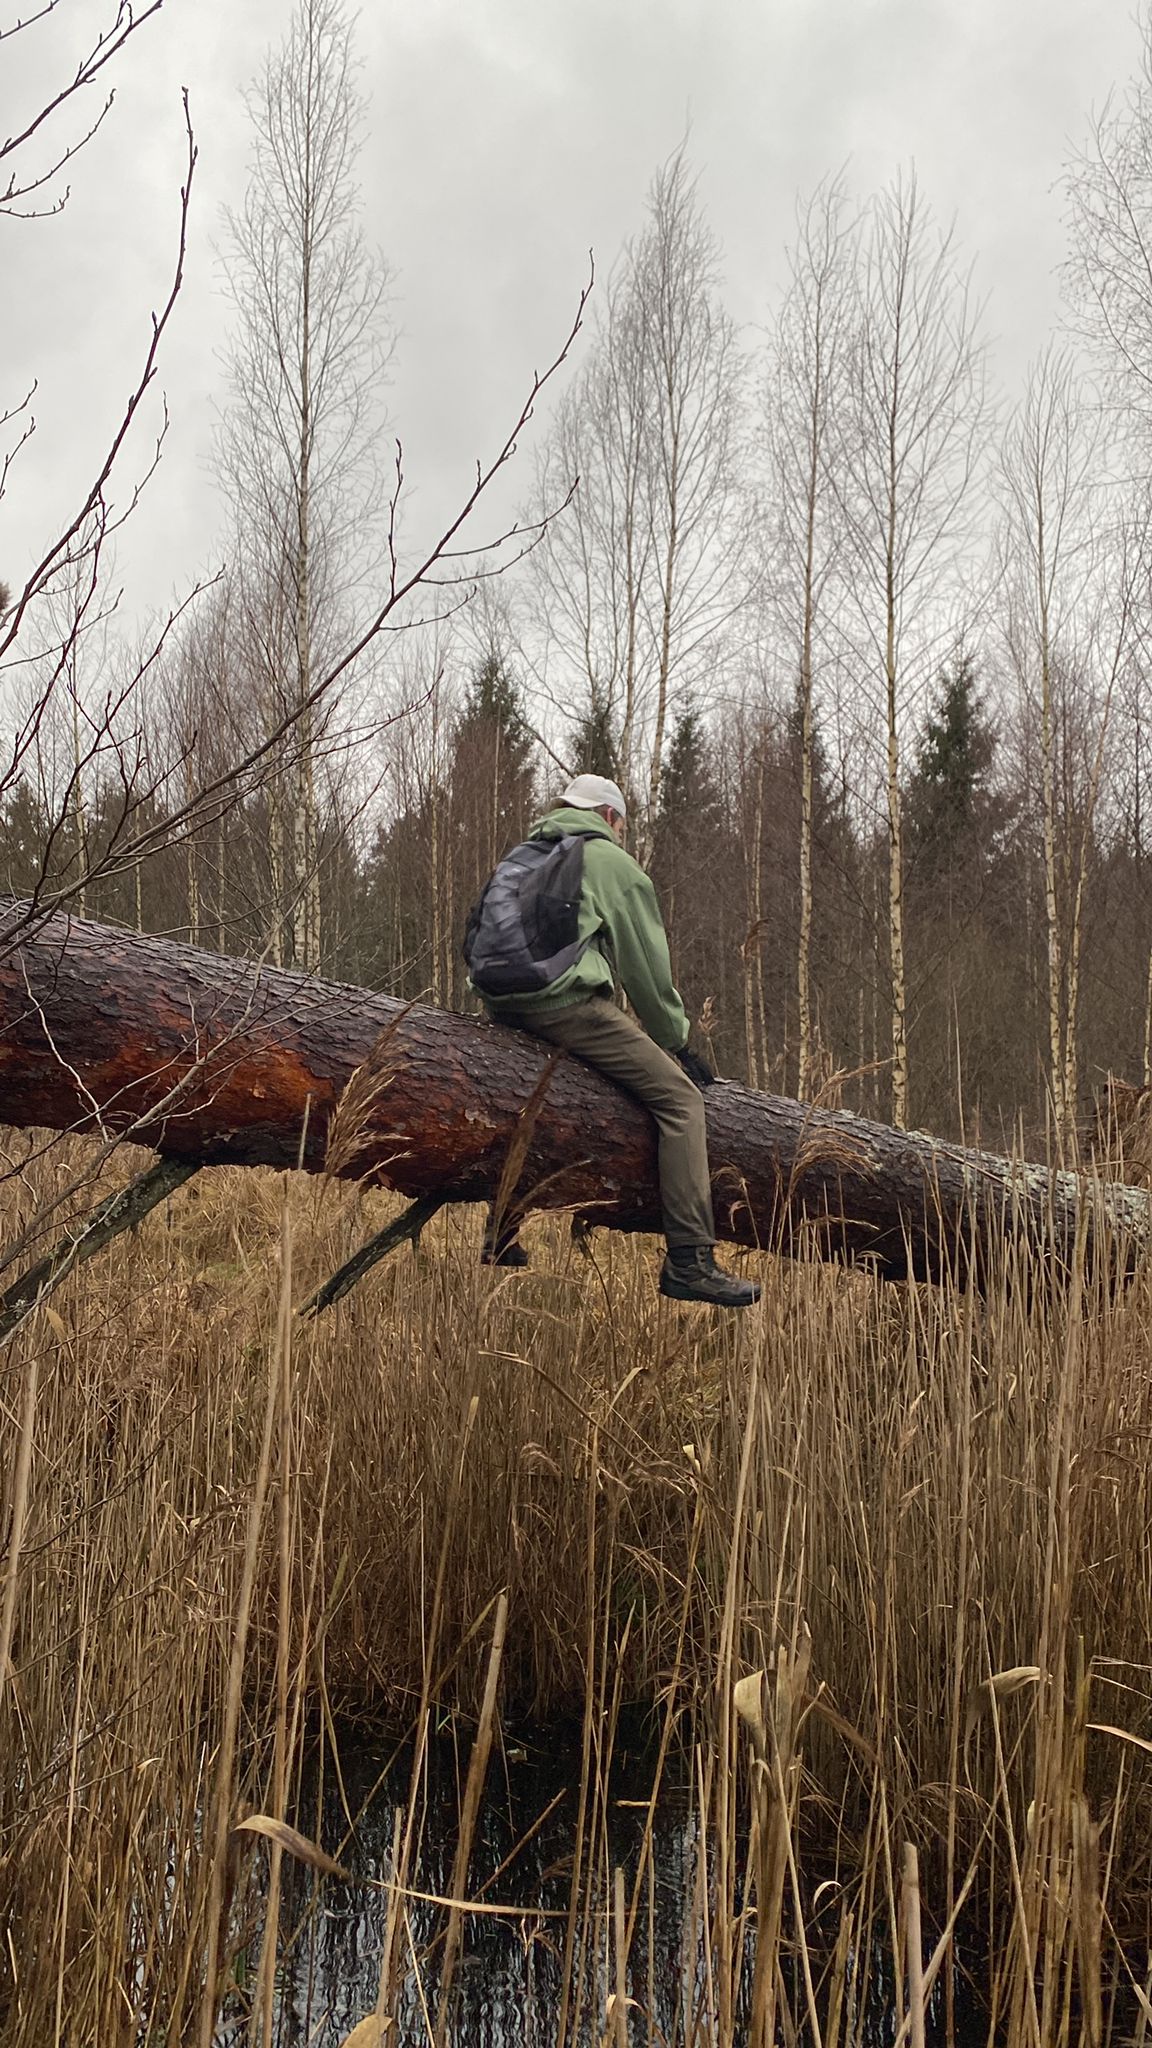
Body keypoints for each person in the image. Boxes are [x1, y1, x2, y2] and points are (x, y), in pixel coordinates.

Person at [477, 773, 760, 1309]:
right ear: (609, 817)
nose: (622, 835)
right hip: (562, 1003)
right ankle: (690, 1260)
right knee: (681, 1102)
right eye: (622, 826)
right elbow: (646, 970)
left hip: (501, 1001)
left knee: (542, 1099)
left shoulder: (522, 855)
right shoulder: (607, 860)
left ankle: (502, 1231)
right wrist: (675, 1040)